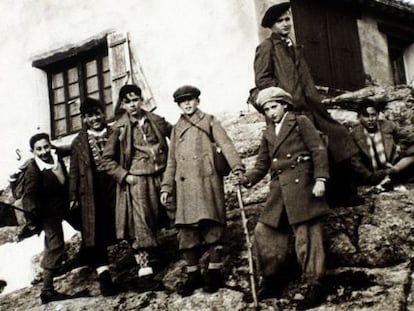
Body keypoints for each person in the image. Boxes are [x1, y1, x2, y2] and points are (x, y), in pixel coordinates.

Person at [254, 2, 363, 207]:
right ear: (271, 25)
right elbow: (262, 81)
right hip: (292, 109)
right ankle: (329, 197)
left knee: (338, 136)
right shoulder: (267, 47)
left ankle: (345, 193)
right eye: (280, 21)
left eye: (288, 19)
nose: (286, 24)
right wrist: (284, 102)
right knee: (313, 147)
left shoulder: (293, 46)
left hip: (312, 106)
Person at [238, 87, 330, 309]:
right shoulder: (269, 132)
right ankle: (271, 279)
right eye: (266, 109)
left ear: (284, 105)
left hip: (303, 186)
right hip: (280, 190)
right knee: (264, 231)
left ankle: (313, 283)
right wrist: (247, 179)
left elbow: (318, 150)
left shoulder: (300, 122)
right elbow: (262, 163)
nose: (270, 112)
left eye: (274, 107)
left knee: (306, 236)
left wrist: (320, 179)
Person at [160, 85, 245, 296]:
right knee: (186, 231)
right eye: (183, 101)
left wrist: (238, 167)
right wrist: (166, 186)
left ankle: (214, 272)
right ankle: (193, 274)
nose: (187, 104)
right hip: (185, 185)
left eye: (191, 100)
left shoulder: (210, 120)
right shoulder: (176, 129)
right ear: (178, 105)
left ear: (198, 101)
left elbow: (226, 145)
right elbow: (171, 161)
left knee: (212, 226)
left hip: (207, 180)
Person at [101, 84, 172, 291]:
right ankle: (145, 273)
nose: (133, 105)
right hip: (138, 180)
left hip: (162, 174)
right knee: (141, 223)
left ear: (141, 100)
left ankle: (191, 262)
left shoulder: (156, 120)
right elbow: (107, 160)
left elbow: (176, 134)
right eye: (128, 101)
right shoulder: (119, 128)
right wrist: (125, 176)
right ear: (123, 104)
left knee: (175, 212)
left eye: (135, 100)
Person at [22, 133, 86, 304]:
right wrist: (33, 221)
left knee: (87, 225)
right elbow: (28, 198)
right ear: (32, 151)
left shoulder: (55, 155)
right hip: (48, 212)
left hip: (66, 204)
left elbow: (72, 147)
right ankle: (47, 290)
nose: (44, 152)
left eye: (46, 147)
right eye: (39, 149)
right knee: (55, 245)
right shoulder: (33, 170)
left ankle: (86, 255)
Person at [68, 97, 118, 296]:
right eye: (90, 115)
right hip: (91, 190)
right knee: (95, 231)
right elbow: (73, 171)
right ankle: (104, 276)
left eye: (97, 113)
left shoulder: (116, 133)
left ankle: (143, 271)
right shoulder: (78, 142)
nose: (95, 118)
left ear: (103, 114)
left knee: (126, 222)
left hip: (115, 184)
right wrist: (73, 195)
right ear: (84, 118)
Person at [350, 99, 414, 189]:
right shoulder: (354, 135)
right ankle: (386, 179)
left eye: (373, 115)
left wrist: (399, 148)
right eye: (366, 116)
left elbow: (405, 138)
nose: (371, 119)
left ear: (378, 115)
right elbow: (356, 161)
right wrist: (370, 177)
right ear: (359, 117)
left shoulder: (388, 126)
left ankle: (392, 173)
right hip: (373, 172)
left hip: (393, 166)